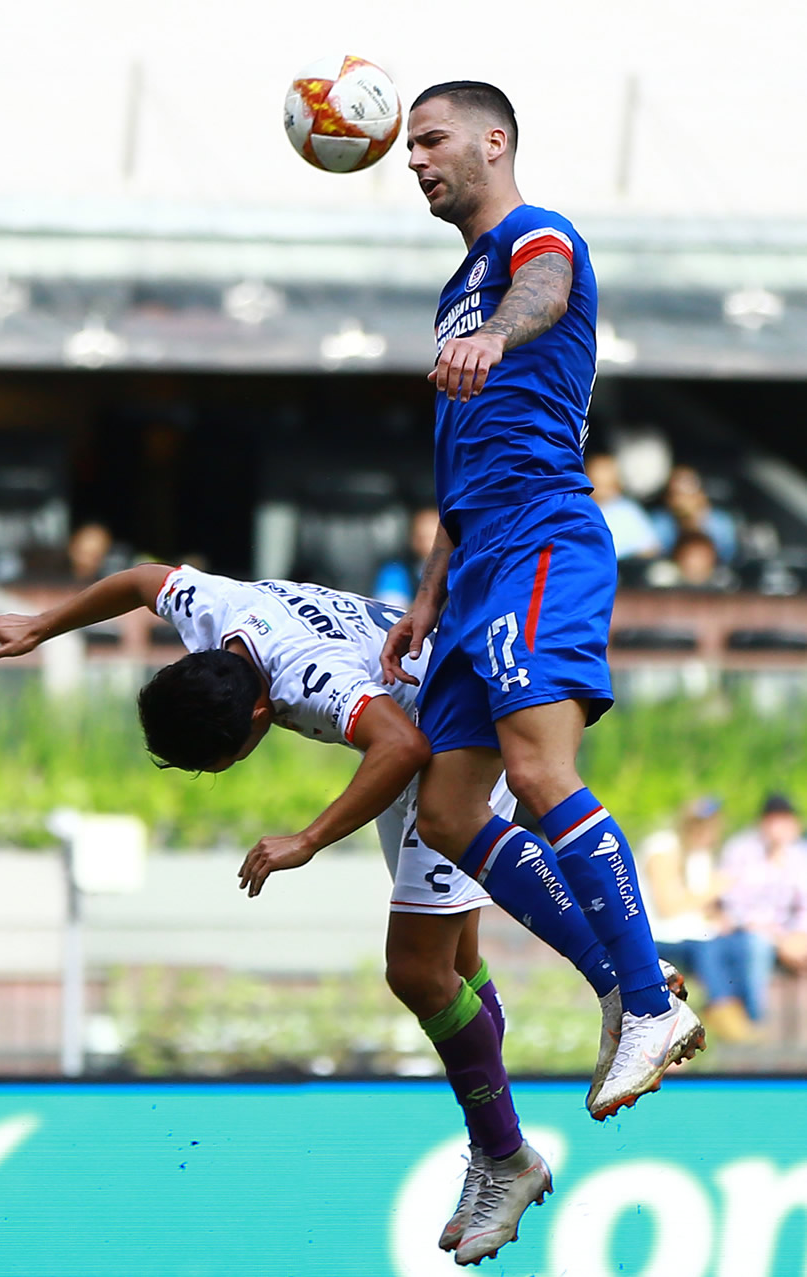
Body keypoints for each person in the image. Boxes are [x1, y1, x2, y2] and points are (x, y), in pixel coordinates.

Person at [0, 563, 686, 1263]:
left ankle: (512, 1146)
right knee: (453, 962)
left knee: (415, 970)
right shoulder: (213, 611)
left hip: (443, 739)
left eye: (222, 758)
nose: (221, 770)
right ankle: (541, 1087)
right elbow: (144, 579)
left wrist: (307, 839)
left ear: (260, 713)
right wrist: (44, 625)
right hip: (416, 719)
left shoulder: (308, 678)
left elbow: (400, 747)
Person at [381, 78, 705, 1260]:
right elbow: (454, 466)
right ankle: (620, 980)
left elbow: (546, 291)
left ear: (492, 140)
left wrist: (497, 332)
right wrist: (422, 600)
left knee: (534, 766)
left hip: (542, 537)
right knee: (452, 808)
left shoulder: (535, 241)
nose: (412, 158)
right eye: (407, 143)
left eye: (429, 139)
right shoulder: (451, 289)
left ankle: (653, 1000)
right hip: (473, 566)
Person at [641, 798, 757, 1042]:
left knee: (749, 945)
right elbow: (667, 907)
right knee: (708, 949)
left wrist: (723, 917)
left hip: (695, 936)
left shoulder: (700, 857)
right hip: (661, 938)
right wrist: (712, 890)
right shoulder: (663, 849)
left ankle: (745, 1014)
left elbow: (702, 910)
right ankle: (722, 1011)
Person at [715, 793, 807, 1023]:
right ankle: (757, 1024)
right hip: (747, 932)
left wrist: (799, 935)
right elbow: (733, 906)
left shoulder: (799, 854)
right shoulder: (740, 851)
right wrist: (779, 938)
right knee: (756, 947)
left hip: (791, 935)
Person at [650, 464, 738, 564]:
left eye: (688, 489)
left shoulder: (721, 522)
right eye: (675, 492)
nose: (681, 499)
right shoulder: (659, 521)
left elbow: (729, 557)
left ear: (701, 492)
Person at [586, 452, 661, 561]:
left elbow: (650, 549)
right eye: (597, 483)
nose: (602, 490)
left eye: (607, 484)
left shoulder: (628, 511)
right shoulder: (580, 509)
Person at [374, 505, 439, 609]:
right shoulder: (395, 571)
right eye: (422, 537)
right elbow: (390, 612)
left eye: (432, 537)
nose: (427, 544)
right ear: (413, 539)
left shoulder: (460, 570)